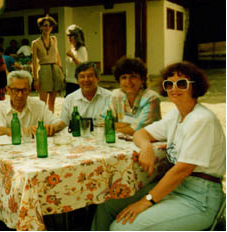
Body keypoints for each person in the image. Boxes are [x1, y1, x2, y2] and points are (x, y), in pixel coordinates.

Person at [91, 61, 225, 231]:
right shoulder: (177, 114)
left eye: (182, 83)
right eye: (169, 84)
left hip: (199, 197)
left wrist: (145, 202)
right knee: (107, 207)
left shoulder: (201, 120)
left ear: (195, 87)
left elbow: (182, 170)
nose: (174, 88)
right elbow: (141, 133)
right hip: (177, 187)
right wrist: (146, 147)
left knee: (122, 227)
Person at [0, 70, 62, 136]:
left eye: (24, 90)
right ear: (8, 90)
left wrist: (52, 127)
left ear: (29, 90)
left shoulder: (39, 106)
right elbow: (0, 131)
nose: (20, 95)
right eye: (15, 90)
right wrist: (27, 131)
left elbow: (59, 122)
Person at [104, 57, 161, 135]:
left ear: (142, 79)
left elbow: (138, 129)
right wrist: (126, 125)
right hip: (120, 142)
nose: (128, 82)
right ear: (119, 81)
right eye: (124, 77)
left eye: (133, 77)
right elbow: (102, 122)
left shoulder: (151, 98)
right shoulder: (116, 95)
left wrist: (113, 127)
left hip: (147, 141)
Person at [55, 62, 111, 130]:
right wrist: (54, 127)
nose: (86, 80)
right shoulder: (70, 99)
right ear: (77, 81)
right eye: (82, 76)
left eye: (90, 76)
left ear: (98, 78)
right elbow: (64, 122)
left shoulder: (109, 97)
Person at [32, 15, 64, 113]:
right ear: (41, 27)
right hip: (44, 70)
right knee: (42, 102)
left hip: (55, 69)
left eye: (50, 26)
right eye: (45, 25)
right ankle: (43, 121)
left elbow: (57, 56)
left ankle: (52, 119)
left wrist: (61, 71)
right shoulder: (35, 43)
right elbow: (34, 62)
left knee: (52, 101)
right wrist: (35, 79)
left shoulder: (54, 39)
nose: (47, 28)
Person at [65, 24, 88, 96]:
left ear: (76, 36)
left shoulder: (82, 49)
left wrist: (73, 57)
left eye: (71, 35)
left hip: (76, 82)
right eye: (68, 35)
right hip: (69, 81)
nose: (69, 38)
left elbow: (83, 67)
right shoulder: (72, 49)